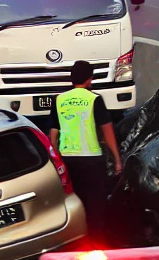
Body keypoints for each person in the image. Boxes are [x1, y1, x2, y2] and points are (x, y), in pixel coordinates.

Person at [49, 60, 121, 238]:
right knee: (95, 204)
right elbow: (107, 131)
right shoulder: (94, 99)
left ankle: (76, 238)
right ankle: (96, 241)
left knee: (74, 201)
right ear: (90, 79)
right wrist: (117, 159)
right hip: (91, 159)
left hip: (68, 158)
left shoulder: (59, 100)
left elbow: (53, 134)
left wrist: (56, 158)